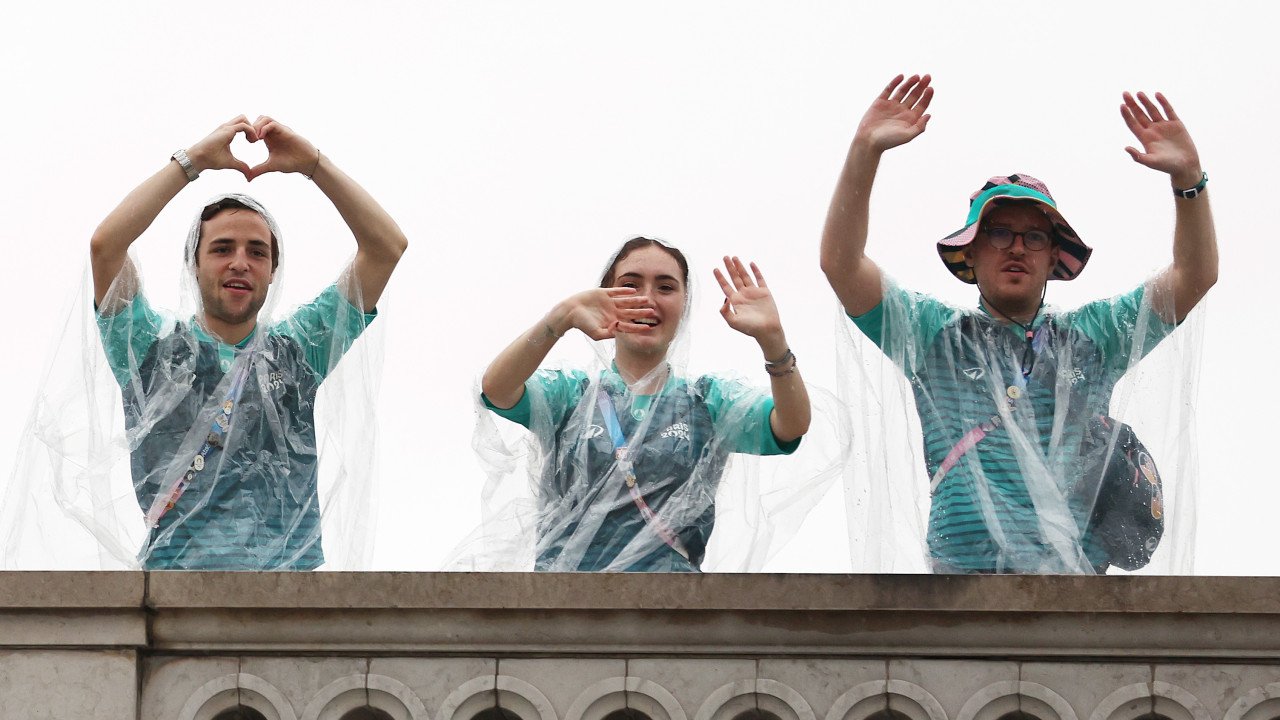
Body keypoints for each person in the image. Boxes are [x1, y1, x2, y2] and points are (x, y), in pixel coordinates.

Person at [820, 74, 1216, 573]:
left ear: (1054, 257)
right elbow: (841, 263)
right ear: (972, 250)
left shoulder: (1094, 337)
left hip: (1071, 594)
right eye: (999, 232)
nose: (1015, 248)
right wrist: (864, 152)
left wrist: (1189, 181)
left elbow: (1195, 275)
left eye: (1033, 238)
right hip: (961, 587)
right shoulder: (934, 337)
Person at [89, 115, 408, 570]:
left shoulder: (299, 353)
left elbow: (386, 248)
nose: (240, 262)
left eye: (257, 251)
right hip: (177, 593)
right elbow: (106, 246)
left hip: (285, 600)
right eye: (222, 249)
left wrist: (313, 165)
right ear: (194, 263)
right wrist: (193, 161)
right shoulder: (150, 354)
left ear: (272, 270)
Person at [477, 238, 811, 571]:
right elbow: (497, 389)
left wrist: (774, 341)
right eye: (630, 286)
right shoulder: (571, 395)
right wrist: (560, 318)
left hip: (668, 611)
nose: (647, 299)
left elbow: (790, 425)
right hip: (568, 609)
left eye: (666, 288)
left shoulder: (707, 402)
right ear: (603, 298)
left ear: (684, 305)